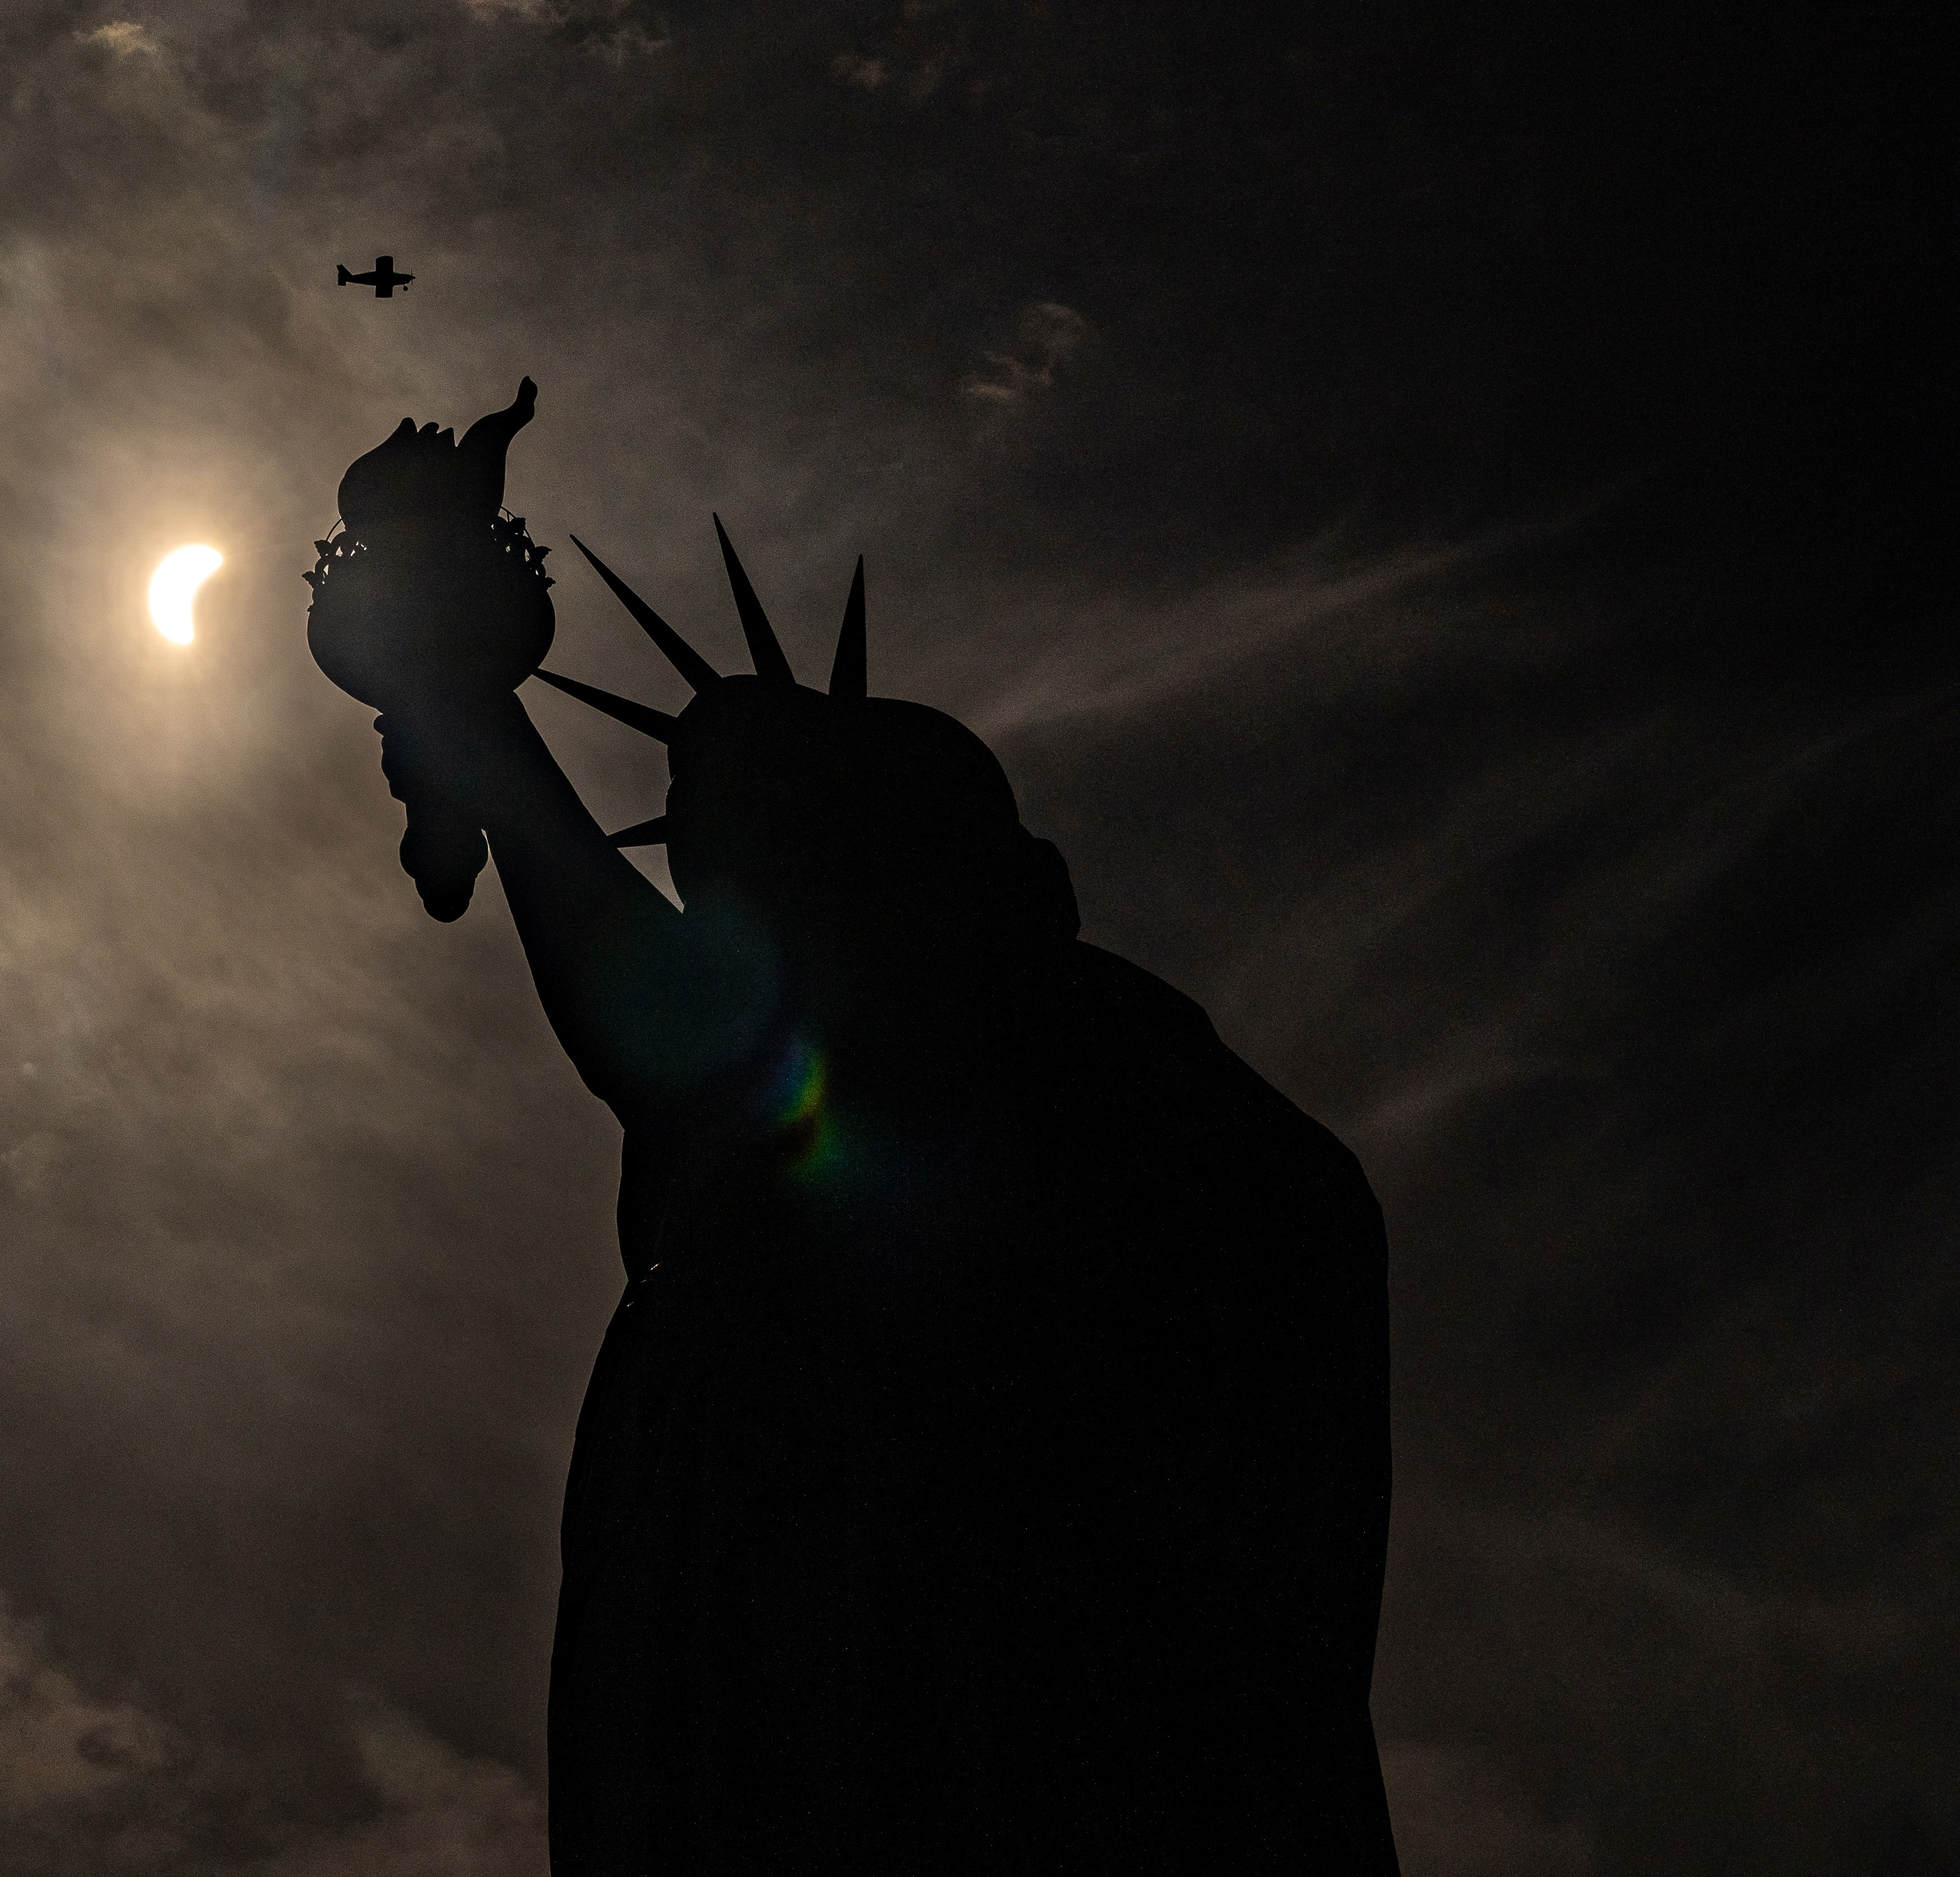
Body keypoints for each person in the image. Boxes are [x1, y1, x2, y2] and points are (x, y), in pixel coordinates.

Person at [328, 389, 1400, 1874]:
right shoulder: (1015, 1076)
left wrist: (474, 719)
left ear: (879, 848)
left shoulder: (1042, 1063)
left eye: (735, 861)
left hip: (988, 1737)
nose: (715, 924)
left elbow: (678, 1040)